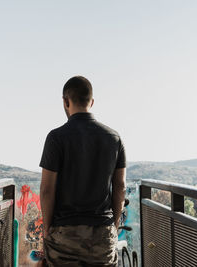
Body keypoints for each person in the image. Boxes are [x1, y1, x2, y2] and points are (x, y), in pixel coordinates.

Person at [39, 76, 126, 266]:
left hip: (64, 235)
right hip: (102, 233)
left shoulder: (56, 138)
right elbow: (120, 186)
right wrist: (114, 224)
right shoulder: (114, 138)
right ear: (92, 102)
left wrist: (47, 230)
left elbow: (46, 190)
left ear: (65, 101)